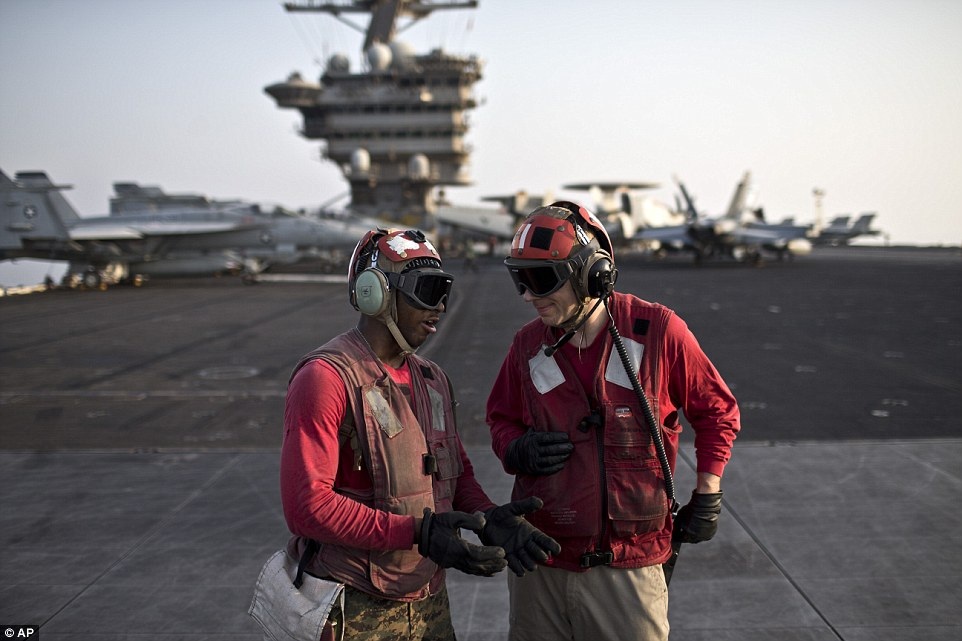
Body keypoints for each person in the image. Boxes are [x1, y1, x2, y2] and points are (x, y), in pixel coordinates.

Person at [281, 228, 560, 641]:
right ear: (375, 294)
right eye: (427, 291)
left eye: (443, 291)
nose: (440, 307)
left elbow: (456, 473)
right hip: (352, 605)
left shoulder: (432, 380)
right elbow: (307, 508)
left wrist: (486, 518)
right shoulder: (326, 379)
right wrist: (417, 533)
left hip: (428, 604)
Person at [486, 203, 741, 641]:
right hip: (540, 564)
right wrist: (514, 448)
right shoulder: (527, 345)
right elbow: (500, 418)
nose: (528, 296)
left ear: (592, 274)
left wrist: (708, 492)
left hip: (629, 568)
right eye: (519, 280)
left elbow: (717, 410)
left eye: (541, 280)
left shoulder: (657, 332)